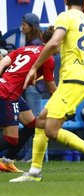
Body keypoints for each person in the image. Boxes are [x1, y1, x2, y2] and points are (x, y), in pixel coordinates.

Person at [10, 0, 84, 182]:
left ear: (66, 2)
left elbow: (53, 44)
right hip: (82, 79)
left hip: (72, 79)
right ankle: (34, 172)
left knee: (51, 129)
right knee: (41, 120)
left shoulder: (66, 17)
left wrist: (34, 68)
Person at [0, 27, 56, 172]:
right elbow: (51, 89)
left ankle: (7, 162)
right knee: (11, 138)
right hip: (7, 93)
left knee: (32, 124)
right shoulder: (48, 58)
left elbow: (2, 63)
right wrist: (67, 105)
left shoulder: (26, 48)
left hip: (8, 90)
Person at [20, 13, 47, 162]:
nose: (22, 27)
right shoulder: (33, 42)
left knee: (35, 123)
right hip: (33, 85)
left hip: (34, 86)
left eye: (24, 24)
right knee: (34, 122)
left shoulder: (36, 44)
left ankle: (35, 156)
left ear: (32, 27)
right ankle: (33, 155)